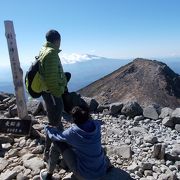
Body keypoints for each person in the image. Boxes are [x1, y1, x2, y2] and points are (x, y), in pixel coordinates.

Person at [40, 106, 111, 180]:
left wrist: (47, 128)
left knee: (57, 143)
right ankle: (107, 165)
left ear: (74, 120)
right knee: (97, 148)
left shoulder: (73, 132)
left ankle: (48, 175)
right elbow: (100, 121)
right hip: (102, 170)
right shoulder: (96, 124)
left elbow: (55, 136)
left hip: (85, 175)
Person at [38, 29, 67, 161]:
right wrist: (60, 92)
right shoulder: (51, 54)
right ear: (57, 40)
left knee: (53, 122)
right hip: (52, 94)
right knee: (55, 124)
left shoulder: (43, 50)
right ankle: (51, 154)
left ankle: (50, 151)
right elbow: (51, 80)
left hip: (47, 93)